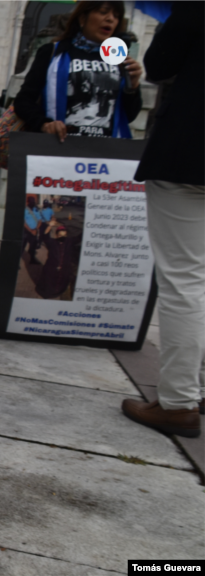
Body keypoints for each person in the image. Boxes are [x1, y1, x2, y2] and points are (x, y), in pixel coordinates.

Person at [120, 1, 205, 438]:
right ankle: (192, 386)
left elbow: (160, 64)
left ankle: (177, 403)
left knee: (185, 281)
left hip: (191, 153)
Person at [14, 0, 142, 142]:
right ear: (82, 18)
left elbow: (128, 116)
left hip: (106, 153)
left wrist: (133, 86)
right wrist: (44, 124)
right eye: (103, 12)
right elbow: (23, 100)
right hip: (58, 148)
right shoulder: (53, 52)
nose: (110, 19)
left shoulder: (119, 60)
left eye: (116, 16)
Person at [35, 220, 81, 300]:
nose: (62, 235)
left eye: (64, 233)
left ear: (66, 234)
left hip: (64, 268)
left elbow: (80, 237)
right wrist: (50, 226)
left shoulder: (69, 242)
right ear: (56, 235)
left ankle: (57, 292)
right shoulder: (52, 242)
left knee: (61, 282)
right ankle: (47, 294)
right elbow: (45, 236)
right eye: (60, 234)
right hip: (51, 268)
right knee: (49, 282)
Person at [22, 195, 43, 265]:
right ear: (27, 202)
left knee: (33, 246)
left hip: (34, 231)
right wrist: (30, 230)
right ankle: (16, 263)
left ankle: (32, 259)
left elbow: (40, 221)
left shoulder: (36, 210)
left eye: (33, 202)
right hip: (26, 231)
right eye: (31, 201)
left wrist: (36, 229)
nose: (32, 203)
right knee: (22, 247)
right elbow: (23, 222)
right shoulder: (25, 210)